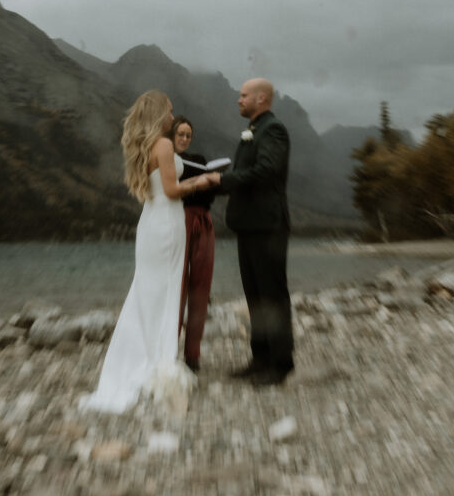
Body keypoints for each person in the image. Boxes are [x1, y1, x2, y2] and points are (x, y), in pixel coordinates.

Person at [80, 90, 211, 413]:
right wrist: (203, 181)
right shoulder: (164, 145)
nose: (172, 116)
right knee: (164, 295)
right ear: (157, 115)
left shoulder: (145, 146)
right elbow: (171, 189)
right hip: (166, 223)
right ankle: (158, 363)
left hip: (151, 223)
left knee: (147, 294)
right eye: (168, 111)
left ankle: (141, 359)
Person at [206, 78, 294, 386]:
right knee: (255, 295)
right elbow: (248, 174)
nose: (238, 100)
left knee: (272, 294)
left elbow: (267, 171)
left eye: (243, 96)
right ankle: (260, 358)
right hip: (249, 225)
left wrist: (224, 181)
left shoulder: (274, 130)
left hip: (268, 225)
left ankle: (281, 364)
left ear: (261, 98)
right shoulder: (254, 131)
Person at [171, 116, 217, 373]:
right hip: (179, 222)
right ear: (172, 135)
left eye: (188, 135)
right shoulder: (166, 159)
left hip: (204, 221)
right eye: (181, 134)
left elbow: (211, 191)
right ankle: (169, 350)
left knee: (201, 288)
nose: (185, 139)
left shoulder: (199, 160)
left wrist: (207, 183)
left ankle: (193, 354)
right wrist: (200, 184)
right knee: (177, 288)